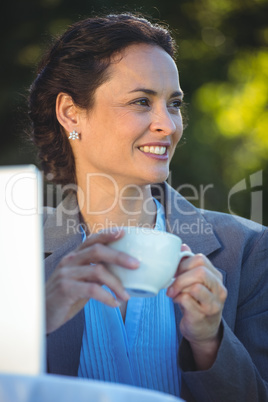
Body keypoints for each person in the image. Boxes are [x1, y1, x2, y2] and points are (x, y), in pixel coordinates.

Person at [28, 13, 268, 402]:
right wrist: (36, 321)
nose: (168, 125)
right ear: (71, 113)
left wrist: (210, 340)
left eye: (173, 104)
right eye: (141, 101)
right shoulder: (14, 256)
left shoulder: (250, 251)